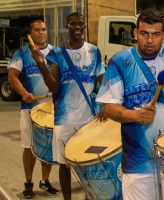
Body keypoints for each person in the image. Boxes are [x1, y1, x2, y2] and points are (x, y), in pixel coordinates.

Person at [96, 8, 164, 200]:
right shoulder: (120, 61)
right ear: (135, 33)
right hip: (138, 164)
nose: (150, 41)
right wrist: (136, 116)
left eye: (156, 34)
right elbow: (109, 107)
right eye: (144, 34)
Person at [30, 12, 105, 200]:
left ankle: (89, 196)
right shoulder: (57, 53)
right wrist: (41, 64)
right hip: (64, 120)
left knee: (89, 163)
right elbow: (53, 86)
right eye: (73, 24)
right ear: (67, 27)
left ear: (85, 26)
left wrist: (104, 104)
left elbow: (102, 82)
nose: (77, 27)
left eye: (80, 23)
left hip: (89, 119)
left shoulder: (93, 51)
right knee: (64, 165)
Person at [8, 19, 58, 198]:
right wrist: (23, 93)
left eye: (44, 29)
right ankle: (28, 182)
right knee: (28, 146)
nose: (41, 33)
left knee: (48, 147)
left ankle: (45, 181)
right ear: (30, 33)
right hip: (29, 107)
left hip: (50, 108)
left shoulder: (55, 52)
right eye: (37, 30)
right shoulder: (22, 52)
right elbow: (12, 76)